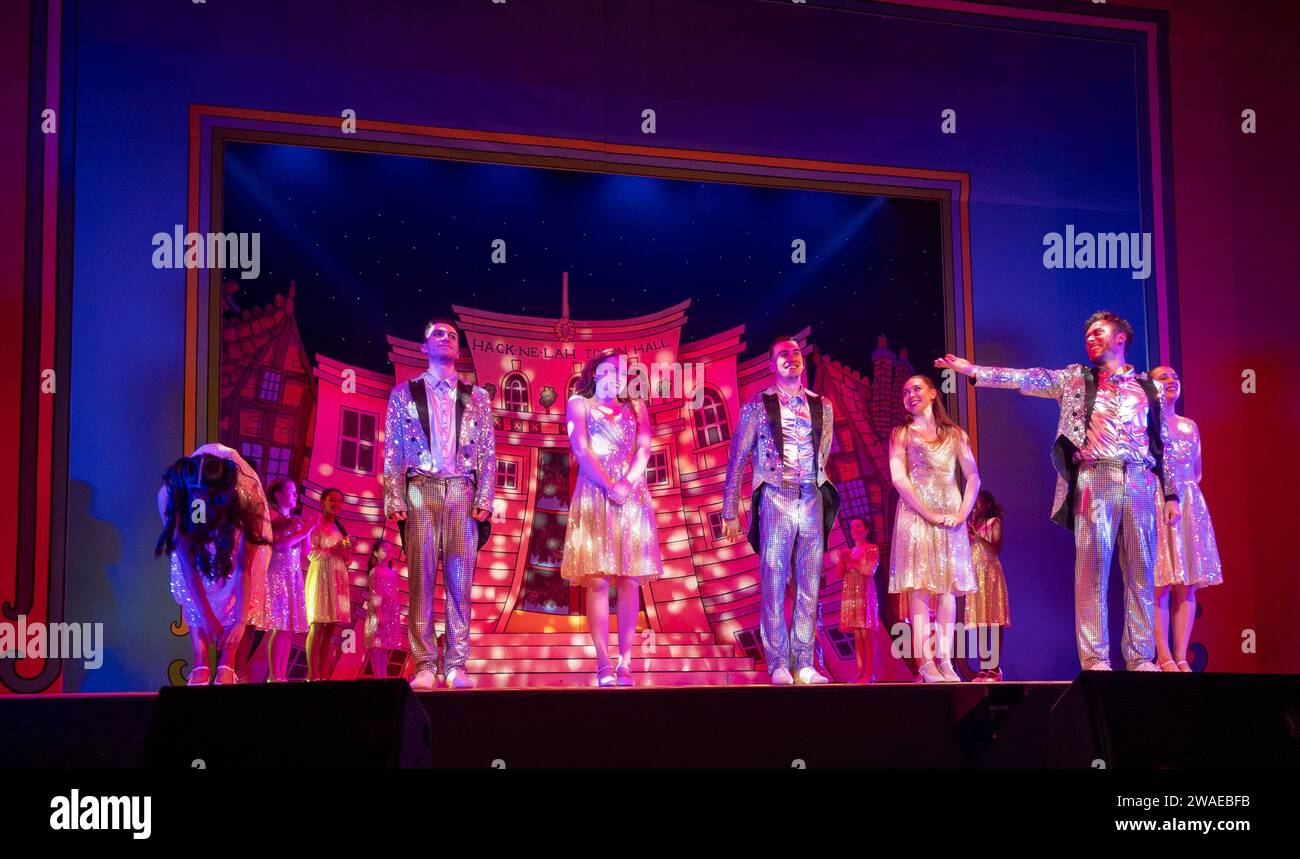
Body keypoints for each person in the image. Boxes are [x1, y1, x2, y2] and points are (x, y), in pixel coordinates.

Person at [936, 311, 1181, 672]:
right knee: (1092, 571)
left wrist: (1171, 494)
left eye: (1099, 332)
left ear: (1120, 339)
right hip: (1096, 477)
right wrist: (975, 371)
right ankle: (1096, 659)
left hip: (1141, 481)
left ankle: (1141, 658)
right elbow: (1029, 377)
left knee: (1142, 572)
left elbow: (1164, 444)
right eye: (1087, 335)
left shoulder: (1149, 389)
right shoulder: (1076, 380)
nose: (1091, 339)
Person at [383, 318, 495, 690]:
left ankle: (456, 663)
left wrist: (485, 497)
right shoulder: (403, 394)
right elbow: (393, 449)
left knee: (460, 582)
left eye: (452, 335)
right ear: (424, 348)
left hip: (462, 490)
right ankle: (426, 663)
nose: (445, 338)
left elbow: (488, 453)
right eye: (437, 334)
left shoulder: (476, 396)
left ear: (458, 349)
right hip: (420, 488)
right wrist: (394, 495)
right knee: (421, 579)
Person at [721, 336, 840, 685]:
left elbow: (825, 450)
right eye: (783, 354)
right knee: (774, 578)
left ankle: (803, 661)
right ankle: (777, 662)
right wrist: (730, 509)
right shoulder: (758, 404)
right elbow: (738, 457)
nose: (792, 358)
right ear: (772, 364)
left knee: (809, 580)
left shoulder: (823, 405)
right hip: (776, 493)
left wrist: (814, 482)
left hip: (811, 495)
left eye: (796, 352)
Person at [560, 349, 663, 686]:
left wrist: (628, 483)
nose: (616, 375)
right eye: (609, 369)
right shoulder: (579, 403)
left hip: (631, 497)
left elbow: (645, 448)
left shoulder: (637, 407)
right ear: (595, 373)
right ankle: (603, 661)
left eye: (622, 370)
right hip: (594, 492)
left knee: (630, 579)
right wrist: (609, 485)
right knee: (599, 579)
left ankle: (626, 662)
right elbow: (581, 448)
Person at [887, 375, 979, 683]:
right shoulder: (902, 434)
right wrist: (926, 512)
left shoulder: (954, 434)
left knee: (948, 589)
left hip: (950, 514)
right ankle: (925, 662)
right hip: (916, 512)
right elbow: (899, 478)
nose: (910, 395)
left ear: (932, 393)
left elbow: (973, 477)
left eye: (916, 389)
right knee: (921, 586)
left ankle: (946, 660)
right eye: (905, 391)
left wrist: (962, 513)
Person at [155, 443, 271, 686]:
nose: (202, 506)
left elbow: (243, 569)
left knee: (226, 579)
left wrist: (239, 621)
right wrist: (207, 617)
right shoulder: (172, 498)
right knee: (194, 576)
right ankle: (200, 664)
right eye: (197, 500)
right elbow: (188, 567)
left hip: (231, 533)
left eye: (208, 500)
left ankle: (227, 664)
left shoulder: (248, 500)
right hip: (192, 533)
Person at [1149, 366, 1222, 672]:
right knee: (1159, 582)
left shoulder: (1190, 426)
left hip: (1190, 502)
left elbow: (1198, 469)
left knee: (1186, 583)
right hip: (1157, 499)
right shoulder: (1146, 424)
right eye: (1163, 377)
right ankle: (1162, 654)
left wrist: (1186, 494)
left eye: (1175, 378)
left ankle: (1181, 656)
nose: (1171, 382)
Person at [259, 478, 313, 682]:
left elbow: (305, 552)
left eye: (295, 491)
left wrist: (306, 532)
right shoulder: (271, 518)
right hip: (277, 575)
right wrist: (304, 531)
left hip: (293, 575)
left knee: (288, 628)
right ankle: (274, 676)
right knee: (280, 626)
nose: (294, 495)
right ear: (278, 494)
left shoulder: (296, 520)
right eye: (290, 491)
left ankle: (281, 675)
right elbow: (279, 546)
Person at [965, 490, 1010, 681]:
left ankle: (995, 667)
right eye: (974, 503)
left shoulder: (994, 523)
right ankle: (984, 667)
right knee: (981, 622)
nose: (976, 506)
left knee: (994, 621)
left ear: (989, 505)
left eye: (979, 502)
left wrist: (978, 537)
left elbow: (996, 549)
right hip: (976, 575)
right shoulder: (972, 526)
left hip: (990, 574)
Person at [835, 516, 882, 683]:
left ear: (866, 529)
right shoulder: (850, 551)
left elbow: (868, 570)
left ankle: (869, 673)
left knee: (866, 633)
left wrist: (849, 560)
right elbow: (840, 574)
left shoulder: (871, 549)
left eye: (858, 526)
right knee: (858, 635)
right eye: (852, 527)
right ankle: (860, 672)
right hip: (851, 596)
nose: (854, 530)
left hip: (865, 594)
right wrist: (843, 560)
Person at [364, 538, 406, 679]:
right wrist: (379, 614)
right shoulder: (375, 571)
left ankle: (384, 677)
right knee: (377, 645)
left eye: (390, 551)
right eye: (384, 551)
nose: (388, 553)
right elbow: (374, 593)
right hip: (379, 611)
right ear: (375, 553)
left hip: (390, 611)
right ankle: (378, 677)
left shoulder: (392, 573)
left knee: (385, 646)